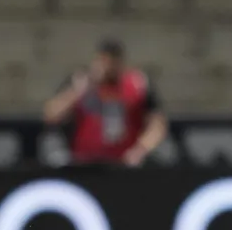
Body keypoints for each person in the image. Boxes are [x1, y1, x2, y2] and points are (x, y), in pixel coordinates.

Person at [43, 38, 168, 167]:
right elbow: (51, 115)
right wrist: (78, 91)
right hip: (83, 163)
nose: (108, 67)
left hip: (125, 163)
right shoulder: (79, 82)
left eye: (113, 62)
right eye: (104, 61)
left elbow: (157, 125)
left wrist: (140, 150)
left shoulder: (138, 84)